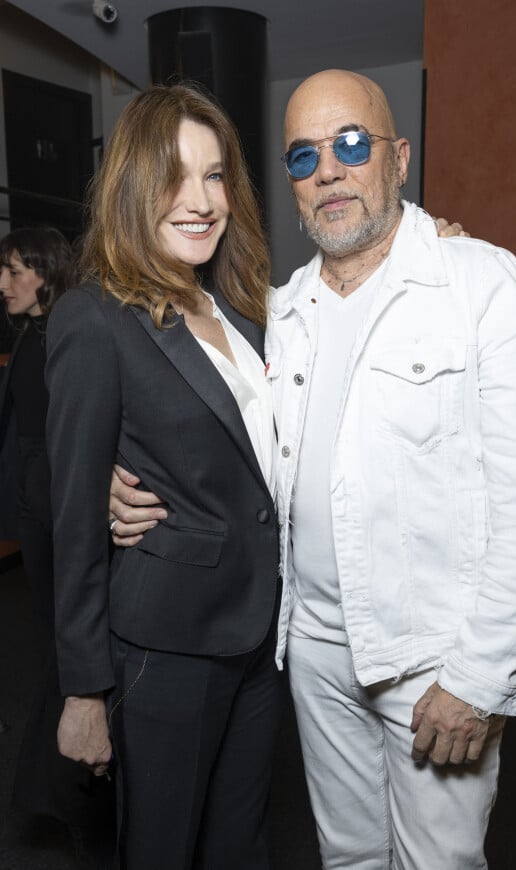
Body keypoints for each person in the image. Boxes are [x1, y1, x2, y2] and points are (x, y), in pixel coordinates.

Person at [111, 69, 516, 869]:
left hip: (436, 659)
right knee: (348, 857)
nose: (328, 171)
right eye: (303, 157)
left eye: (351, 145)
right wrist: (114, 484)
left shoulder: (480, 285)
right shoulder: (279, 315)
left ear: (398, 160)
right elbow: (213, 431)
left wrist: (479, 677)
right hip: (314, 655)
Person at [45, 84, 281, 869]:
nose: (201, 200)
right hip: (166, 649)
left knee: (237, 847)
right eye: (175, 174)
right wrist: (83, 689)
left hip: (263, 639)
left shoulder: (245, 306)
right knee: (160, 849)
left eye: (216, 176)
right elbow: (76, 516)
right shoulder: (94, 317)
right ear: (132, 184)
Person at [0, 228, 113, 841]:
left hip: (60, 510)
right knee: (51, 647)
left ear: (45, 272)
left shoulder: (65, 335)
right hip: (36, 508)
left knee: (66, 654)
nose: (2, 283)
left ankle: (75, 800)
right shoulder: (29, 337)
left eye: (15, 270)